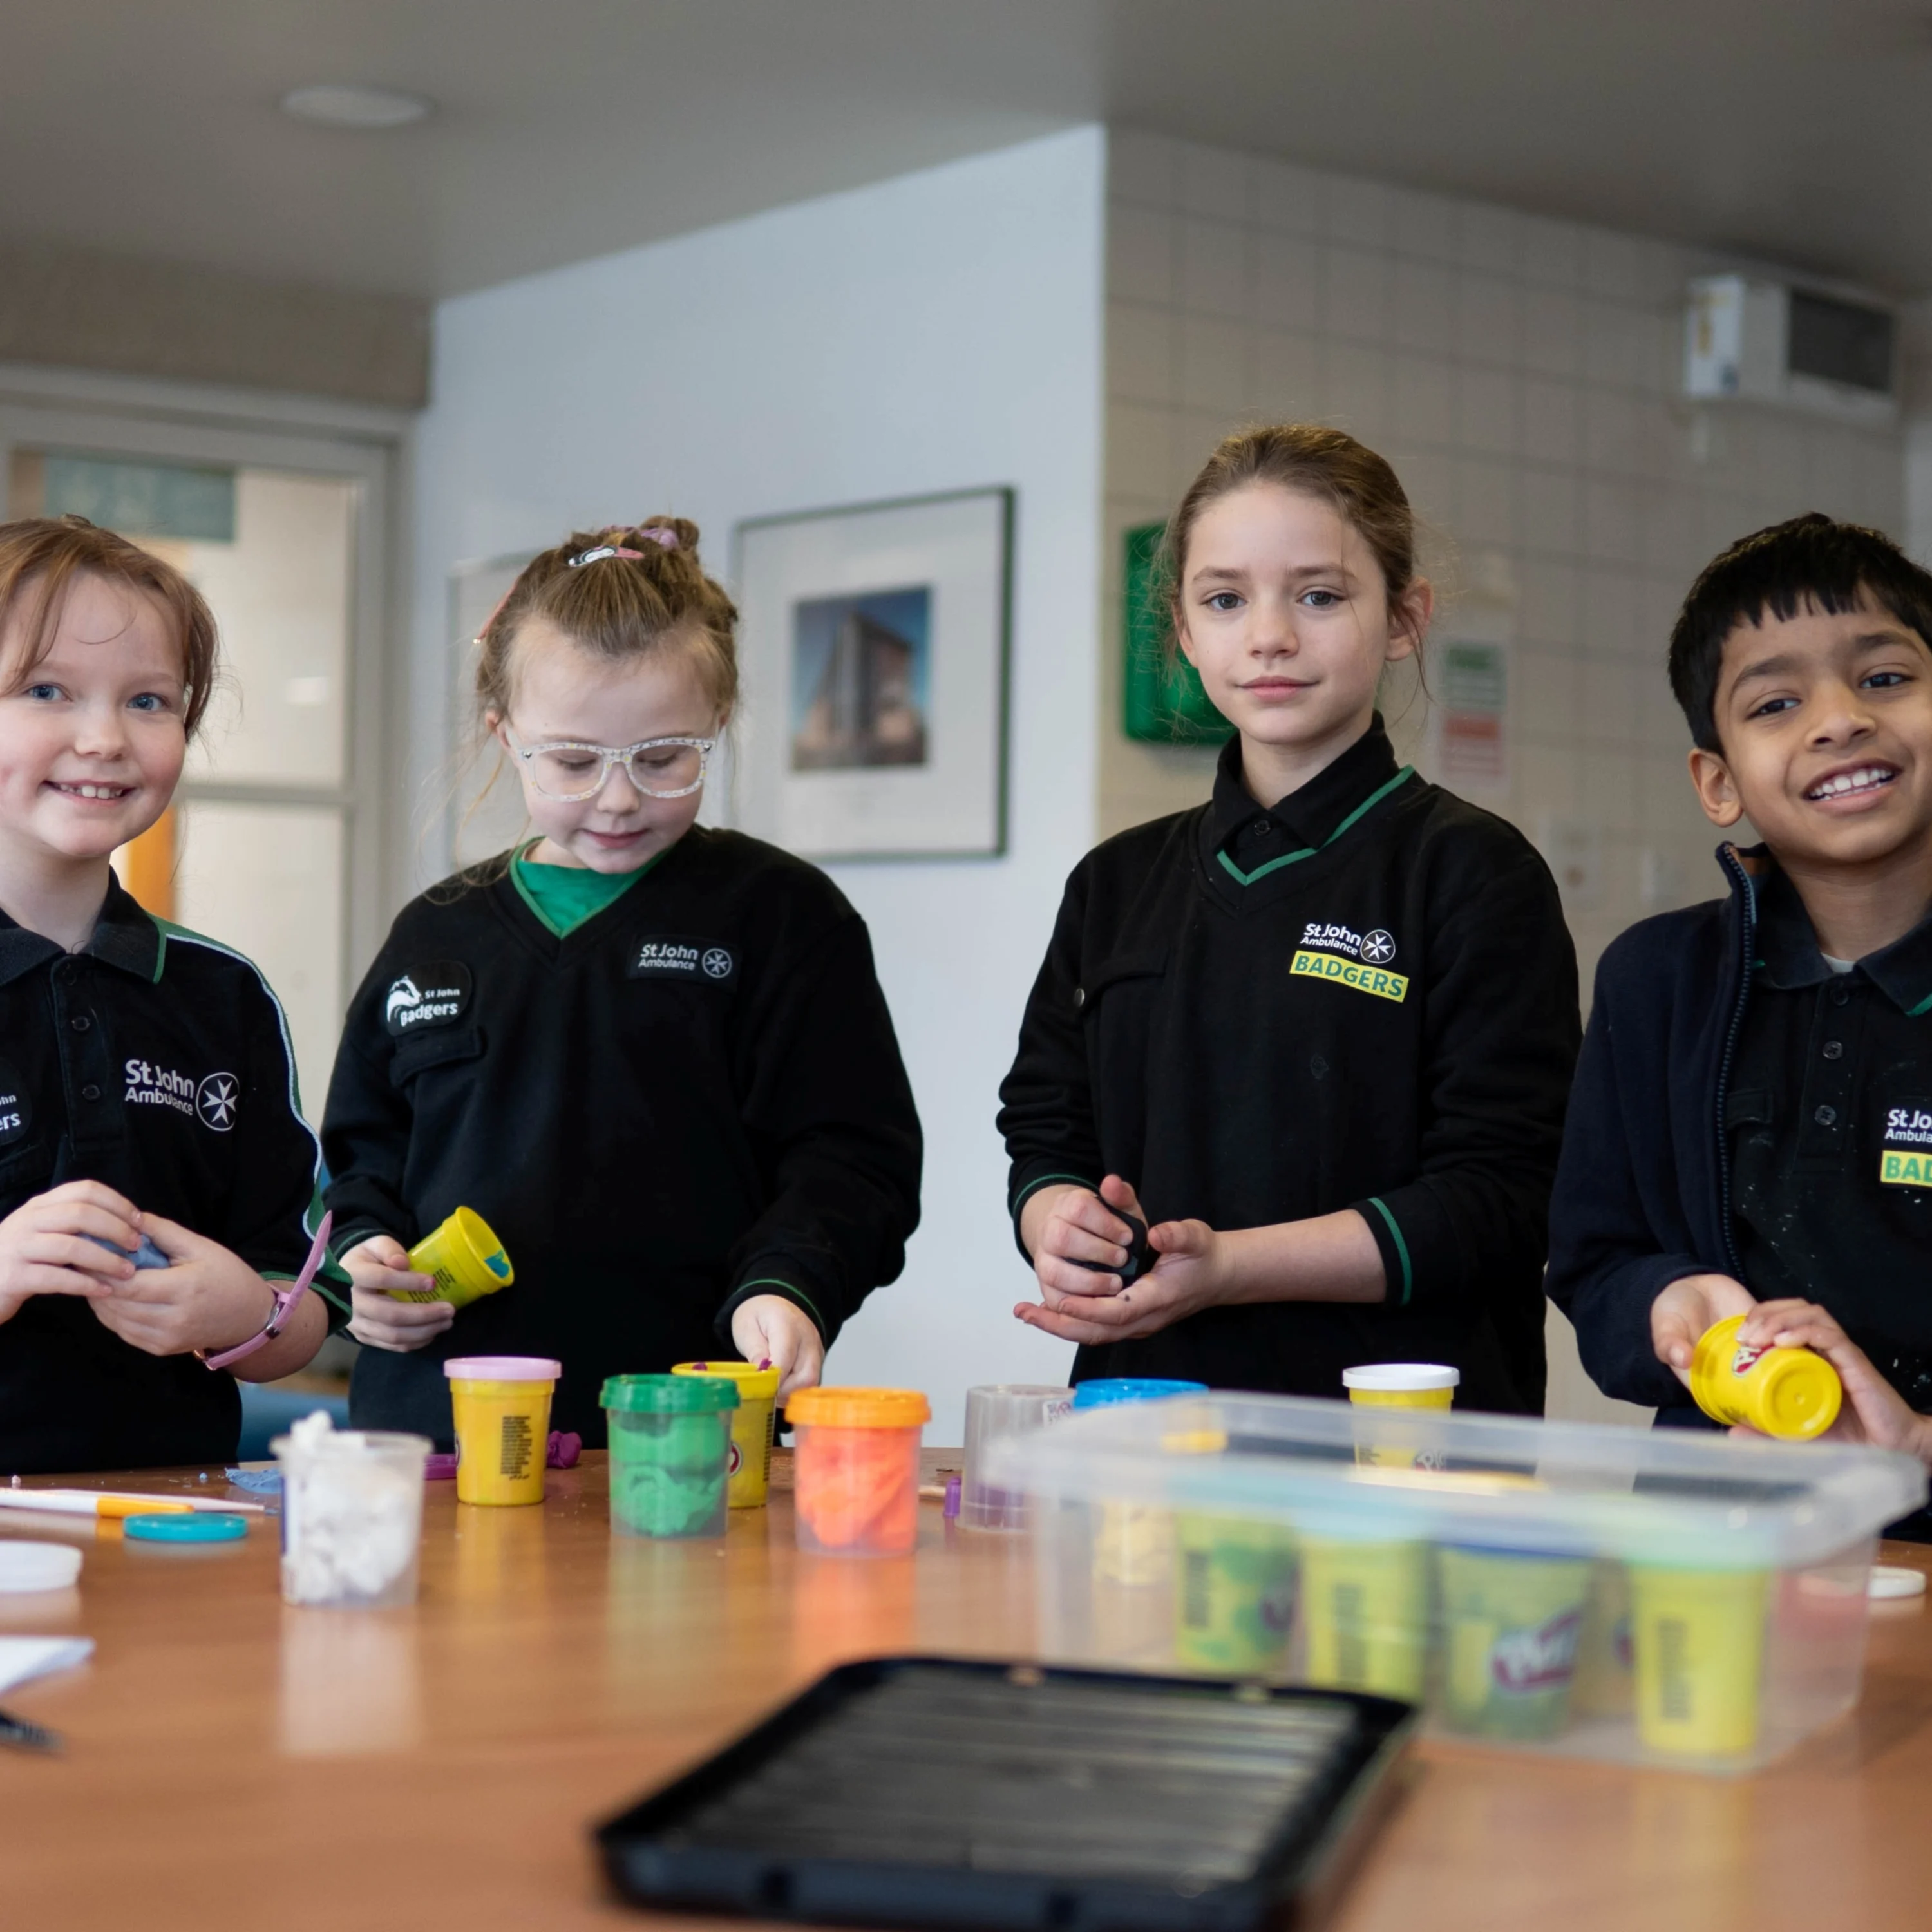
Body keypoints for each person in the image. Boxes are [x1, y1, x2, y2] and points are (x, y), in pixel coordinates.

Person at [998, 426, 1580, 1410]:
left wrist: (1229, 1266)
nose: (1269, 635)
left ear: (1405, 616)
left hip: (1397, 1438)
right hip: (1146, 1416)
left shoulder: (1474, 873)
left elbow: (1503, 1199)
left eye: (1319, 595)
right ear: (1183, 632)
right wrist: (1055, 1217)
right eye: (1225, 600)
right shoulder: (1115, 881)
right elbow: (1047, 1124)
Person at [323, 518, 922, 1448]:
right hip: (441, 1436)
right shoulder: (434, 933)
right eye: (571, 761)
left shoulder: (781, 917)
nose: (617, 797)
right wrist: (364, 1262)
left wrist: (789, 1285)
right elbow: (360, 1159)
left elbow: (851, 1159)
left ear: (716, 725)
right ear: (504, 734)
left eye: (662, 758)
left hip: (680, 1432)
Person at [1548, 514, 1932, 1497]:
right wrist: (1670, 1301)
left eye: (1885, 678)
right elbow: (1596, 1265)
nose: (1840, 718)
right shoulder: (1657, 982)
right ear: (1718, 782)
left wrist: (1917, 1446)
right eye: (1776, 702)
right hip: (1719, 1536)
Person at [0, 516, 346, 1473]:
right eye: (46, 690)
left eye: (149, 700)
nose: (105, 737)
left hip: (179, 1532)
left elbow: (303, 1315)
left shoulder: (223, 996)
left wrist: (245, 1312)